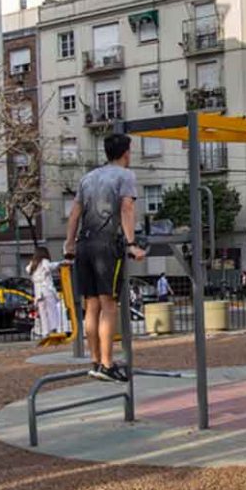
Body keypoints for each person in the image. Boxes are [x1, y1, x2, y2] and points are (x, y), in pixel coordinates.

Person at [64, 133, 146, 383]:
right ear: (126, 153)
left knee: (91, 306)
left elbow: (75, 213)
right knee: (109, 304)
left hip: (84, 244)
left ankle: (96, 361)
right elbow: (127, 207)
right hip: (106, 245)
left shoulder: (88, 177)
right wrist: (132, 244)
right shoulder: (125, 176)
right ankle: (108, 364)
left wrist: (69, 243)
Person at [26, 247, 63, 337]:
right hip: (47, 289)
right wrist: (60, 263)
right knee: (52, 310)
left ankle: (45, 332)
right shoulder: (44, 262)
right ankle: (53, 329)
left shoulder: (32, 264)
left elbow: (27, 269)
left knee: (43, 312)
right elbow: (50, 266)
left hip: (38, 292)